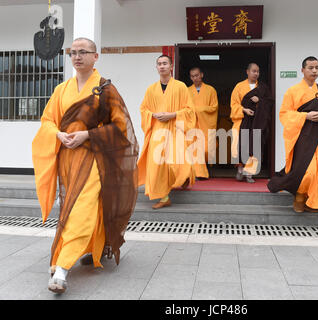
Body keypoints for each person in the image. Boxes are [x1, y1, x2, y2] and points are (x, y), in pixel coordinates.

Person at [32, 37, 139, 294]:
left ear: (95, 56)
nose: (77, 57)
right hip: (68, 159)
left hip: (94, 157)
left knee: (81, 207)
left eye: (83, 52)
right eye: (73, 53)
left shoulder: (105, 89)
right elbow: (47, 120)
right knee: (73, 206)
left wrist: (88, 135)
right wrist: (58, 134)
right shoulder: (62, 89)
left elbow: (121, 127)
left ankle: (62, 269)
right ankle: (95, 246)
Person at [267, 56, 318, 212]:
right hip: (303, 138)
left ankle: (313, 202)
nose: (314, 71)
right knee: (308, 171)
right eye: (310, 68)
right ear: (302, 70)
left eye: (317, 67)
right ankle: (299, 195)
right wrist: (305, 116)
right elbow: (284, 114)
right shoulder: (292, 91)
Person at [137, 55, 196, 209]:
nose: (162, 66)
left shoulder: (181, 87)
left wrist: (172, 114)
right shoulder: (151, 89)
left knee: (176, 161)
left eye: (165, 63)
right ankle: (164, 197)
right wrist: (153, 115)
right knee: (157, 164)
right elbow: (144, 109)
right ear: (156, 68)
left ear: (171, 66)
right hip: (157, 129)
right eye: (159, 64)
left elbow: (189, 110)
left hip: (176, 128)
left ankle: (184, 176)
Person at [230, 63, 273, 183]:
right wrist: (244, 110)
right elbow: (233, 104)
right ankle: (240, 168)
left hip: (258, 121)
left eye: (258, 71)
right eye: (254, 71)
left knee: (254, 146)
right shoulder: (239, 86)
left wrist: (260, 101)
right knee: (239, 145)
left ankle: (249, 173)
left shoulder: (263, 88)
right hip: (243, 120)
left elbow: (270, 102)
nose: (256, 74)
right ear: (247, 72)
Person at [187, 67, 218, 179]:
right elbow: (185, 108)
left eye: (197, 75)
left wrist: (199, 110)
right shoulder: (187, 90)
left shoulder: (211, 90)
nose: (195, 78)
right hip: (193, 125)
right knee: (195, 148)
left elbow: (214, 107)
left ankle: (205, 168)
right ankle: (199, 173)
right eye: (192, 76)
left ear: (202, 75)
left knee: (207, 148)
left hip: (206, 124)